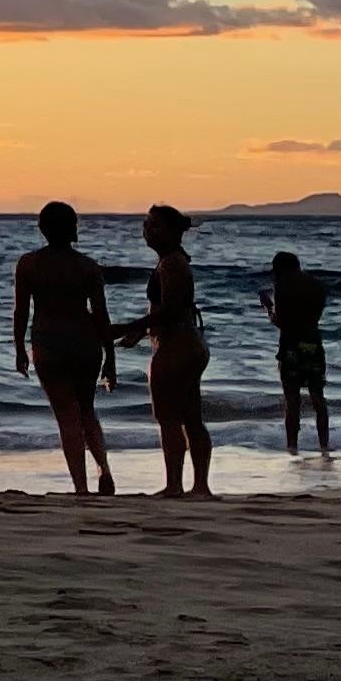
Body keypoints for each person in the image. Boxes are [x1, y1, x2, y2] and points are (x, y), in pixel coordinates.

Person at [9, 202, 120, 498]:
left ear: (42, 229)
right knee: (86, 410)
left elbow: (21, 311)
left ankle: (81, 487)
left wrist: (19, 348)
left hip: (49, 342)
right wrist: (111, 356)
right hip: (85, 341)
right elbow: (101, 315)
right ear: (73, 228)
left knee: (67, 417)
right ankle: (103, 467)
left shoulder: (29, 264)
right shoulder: (87, 266)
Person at [117, 205, 213, 496]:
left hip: (176, 345)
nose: (148, 230)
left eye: (155, 225)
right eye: (146, 224)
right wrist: (139, 332)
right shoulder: (173, 261)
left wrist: (127, 325)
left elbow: (170, 310)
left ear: (172, 232)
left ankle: (174, 485)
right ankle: (199, 486)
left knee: (169, 418)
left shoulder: (171, 264)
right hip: (188, 343)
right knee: (191, 418)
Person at [262, 251, 332, 455]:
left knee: (292, 400)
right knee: (318, 398)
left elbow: (282, 322)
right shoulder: (317, 286)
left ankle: (292, 446)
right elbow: (314, 317)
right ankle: (324, 445)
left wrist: (268, 308)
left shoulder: (282, 286)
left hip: (291, 347)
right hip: (313, 344)